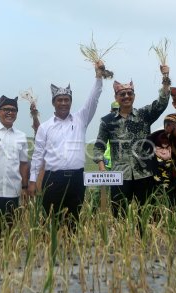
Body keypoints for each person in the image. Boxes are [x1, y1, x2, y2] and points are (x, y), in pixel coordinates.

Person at [28, 60, 105, 225]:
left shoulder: (80, 119)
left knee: (73, 221)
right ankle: (54, 250)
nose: (63, 103)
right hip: (53, 179)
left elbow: (93, 100)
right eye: (60, 100)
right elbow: (38, 156)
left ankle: (71, 250)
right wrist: (33, 181)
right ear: (53, 103)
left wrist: (98, 77)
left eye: (67, 99)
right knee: (52, 222)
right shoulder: (45, 127)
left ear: (71, 102)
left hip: (76, 179)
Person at [93, 65, 171, 218]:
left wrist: (166, 78)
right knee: (119, 216)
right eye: (122, 94)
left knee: (147, 216)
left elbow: (161, 103)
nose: (126, 96)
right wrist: (102, 169)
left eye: (130, 93)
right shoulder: (107, 121)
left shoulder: (144, 115)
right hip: (119, 176)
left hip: (144, 174)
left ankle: (146, 241)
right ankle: (123, 242)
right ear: (116, 97)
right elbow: (98, 147)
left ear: (134, 96)